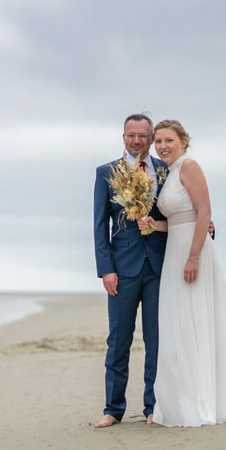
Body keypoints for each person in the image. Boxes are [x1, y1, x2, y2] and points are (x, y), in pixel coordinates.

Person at [140, 120, 226, 427]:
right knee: (179, 323)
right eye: (158, 141)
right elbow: (178, 219)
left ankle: (205, 400)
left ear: (183, 141)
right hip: (175, 250)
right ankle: (184, 398)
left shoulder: (189, 166)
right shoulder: (170, 172)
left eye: (169, 140)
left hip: (193, 252)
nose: (162, 146)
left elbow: (204, 212)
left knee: (196, 319)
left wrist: (193, 257)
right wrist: (151, 225)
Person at [92, 113, 167, 428]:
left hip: (159, 267)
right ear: (123, 137)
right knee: (118, 339)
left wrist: (205, 221)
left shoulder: (165, 170)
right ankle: (113, 409)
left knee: (157, 340)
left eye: (142, 135)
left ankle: (153, 407)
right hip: (121, 270)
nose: (136, 141)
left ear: (151, 138)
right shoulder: (106, 172)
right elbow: (99, 226)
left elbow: (180, 210)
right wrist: (106, 269)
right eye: (130, 135)